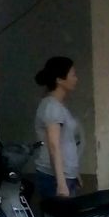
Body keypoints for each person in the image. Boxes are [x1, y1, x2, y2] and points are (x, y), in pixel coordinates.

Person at [32, 55, 82, 201]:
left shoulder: (58, 106)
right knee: (59, 216)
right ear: (59, 80)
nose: (76, 79)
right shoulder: (52, 107)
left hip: (66, 174)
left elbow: (67, 141)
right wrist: (61, 183)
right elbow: (54, 145)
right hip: (54, 177)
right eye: (73, 75)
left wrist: (75, 172)